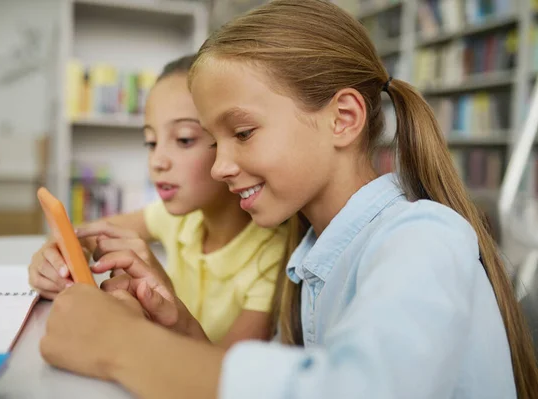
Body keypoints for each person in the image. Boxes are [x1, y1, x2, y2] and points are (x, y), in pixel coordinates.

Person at [39, 1, 538, 398]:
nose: (219, 167)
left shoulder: (423, 236)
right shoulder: (312, 255)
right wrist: (178, 323)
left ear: (343, 118)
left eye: (243, 132)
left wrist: (123, 344)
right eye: (215, 141)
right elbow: (279, 380)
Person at [28, 54, 289, 347]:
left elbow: (224, 378)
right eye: (151, 143)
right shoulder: (179, 218)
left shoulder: (273, 255)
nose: (157, 161)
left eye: (184, 139)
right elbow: (90, 232)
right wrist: (54, 256)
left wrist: (164, 293)